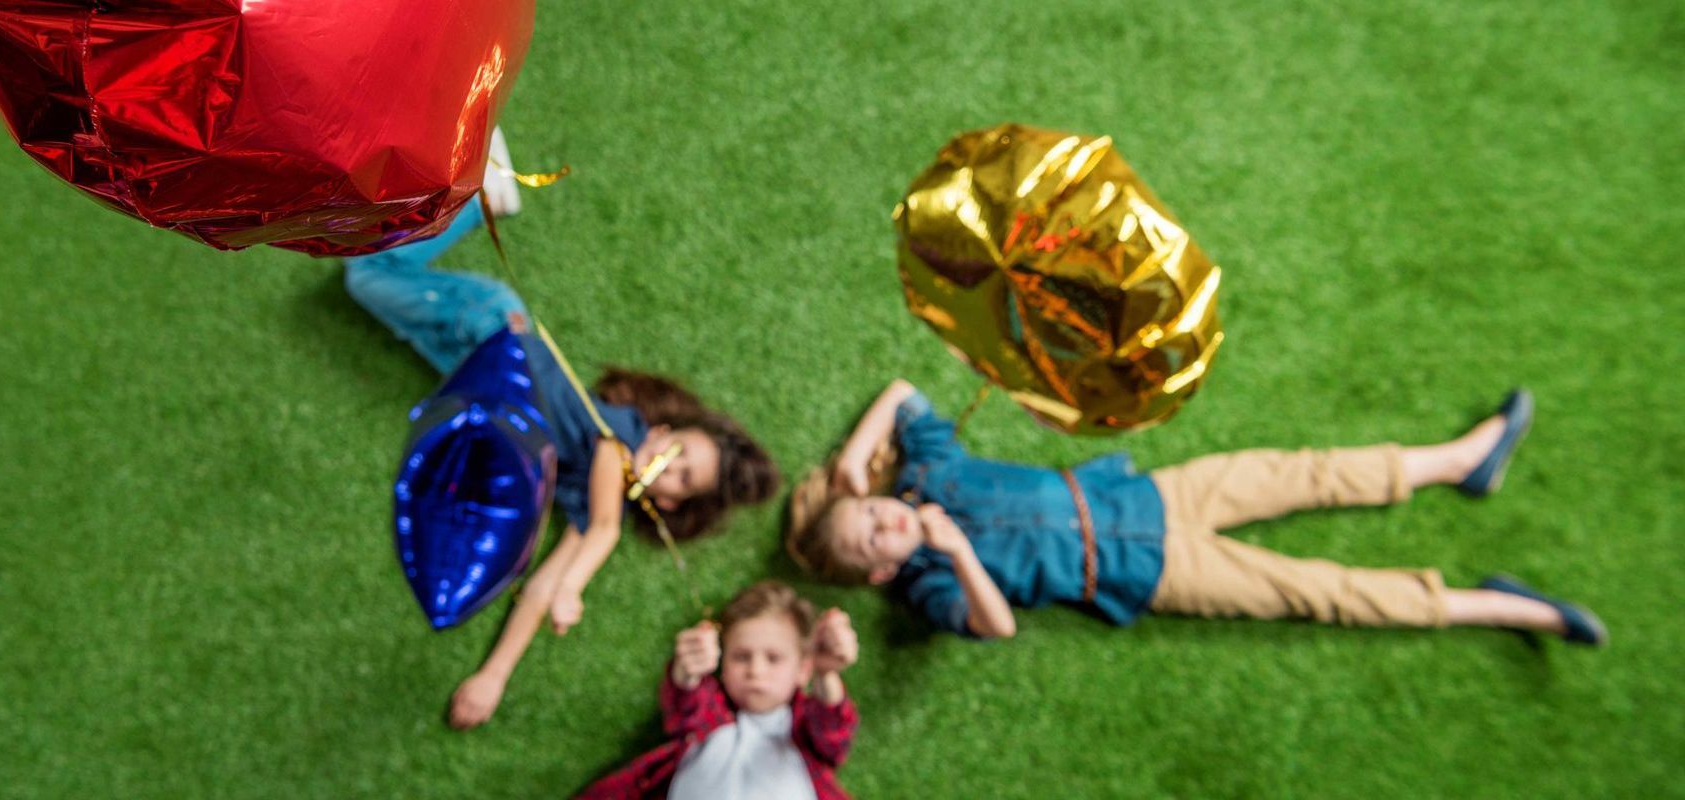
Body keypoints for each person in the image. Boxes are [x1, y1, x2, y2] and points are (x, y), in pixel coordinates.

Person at [345, 130, 781, 728]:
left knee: (381, 290)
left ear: (674, 501)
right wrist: (577, 584)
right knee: (368, 278)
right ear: (658, 430)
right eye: (675, 450)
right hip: (494, 332)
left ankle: (479, 196)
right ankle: (482, 197)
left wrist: (492, 676)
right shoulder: (617, 438)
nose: (664, 464)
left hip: (481, 376)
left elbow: (544, 582)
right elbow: (600, 532)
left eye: (680, 475)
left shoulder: (598, 492)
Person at [785, 379, 1605, 646]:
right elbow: (995, 626)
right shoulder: (927, 582)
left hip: (1139, 496)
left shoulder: (932, 470)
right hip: (1148, 569)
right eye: (873, 544)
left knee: (1302, 473)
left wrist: (855, 461)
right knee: (1318, 591)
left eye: (874, 513)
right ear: (882, 570)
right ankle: (1495, 605)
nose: (886, 525)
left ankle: (1460, 461)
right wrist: (957, 552)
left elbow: (903, 392)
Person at [577, 581, 860, 800]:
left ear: (803, 669)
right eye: (741, 656)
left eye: (773, 658)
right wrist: (688, 668)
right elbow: (686, 704)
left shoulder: (802, 731)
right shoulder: (712, 715)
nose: (756, 671)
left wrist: (827, 674)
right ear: (722, 662)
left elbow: (833, 734)